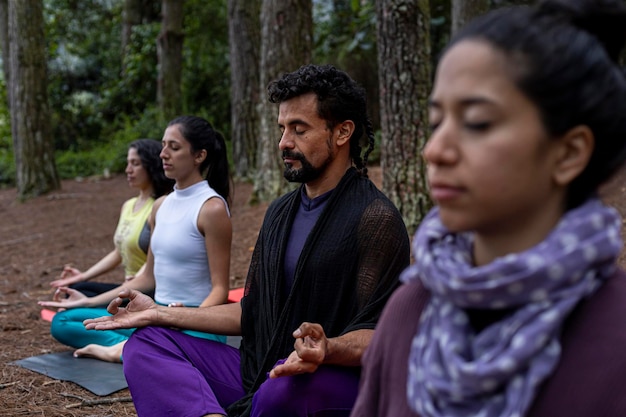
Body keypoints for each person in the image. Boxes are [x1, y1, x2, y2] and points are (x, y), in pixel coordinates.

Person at [84, 64, 411, 416]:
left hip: (328, 377)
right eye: (282, 128)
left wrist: (328, 347)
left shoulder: (375, 219)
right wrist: (159, 314)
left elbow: (383, 334)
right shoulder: (280, 213)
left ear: (343, 132)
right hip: (260, 370)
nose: (284, 142)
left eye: (299, 130)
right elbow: (250, 312)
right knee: (147, 343)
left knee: (276, 393)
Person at [350, 1, 626, 416]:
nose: (435, 150)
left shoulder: (615, 335)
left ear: (569, 152)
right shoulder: (409, 310)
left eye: (477, 122)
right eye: (436, 121)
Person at [39, 115, 233, 363]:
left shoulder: (212, 208)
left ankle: (130, 350)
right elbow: (147, 277)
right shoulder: (160, 206)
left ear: (199, 156)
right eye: (163, 145)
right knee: (65, 320)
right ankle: (130, 347)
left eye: (174, 147)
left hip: (196, 321)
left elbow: (220, 289)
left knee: (167, 341)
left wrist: (182, 319)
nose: (163, 154)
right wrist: (89, 300)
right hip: (153, 315)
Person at [50, 138, 173, 297]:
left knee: (77, 295)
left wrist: (138, 278)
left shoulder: (160, 206)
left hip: (150, 290)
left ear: (151, 166)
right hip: (128, 286)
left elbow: (158, 255)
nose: (128, 170)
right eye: (128, 163)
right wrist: (83, 275)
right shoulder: (128, 205)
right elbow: (118, 253)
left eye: (135, 164)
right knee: (76, 287)